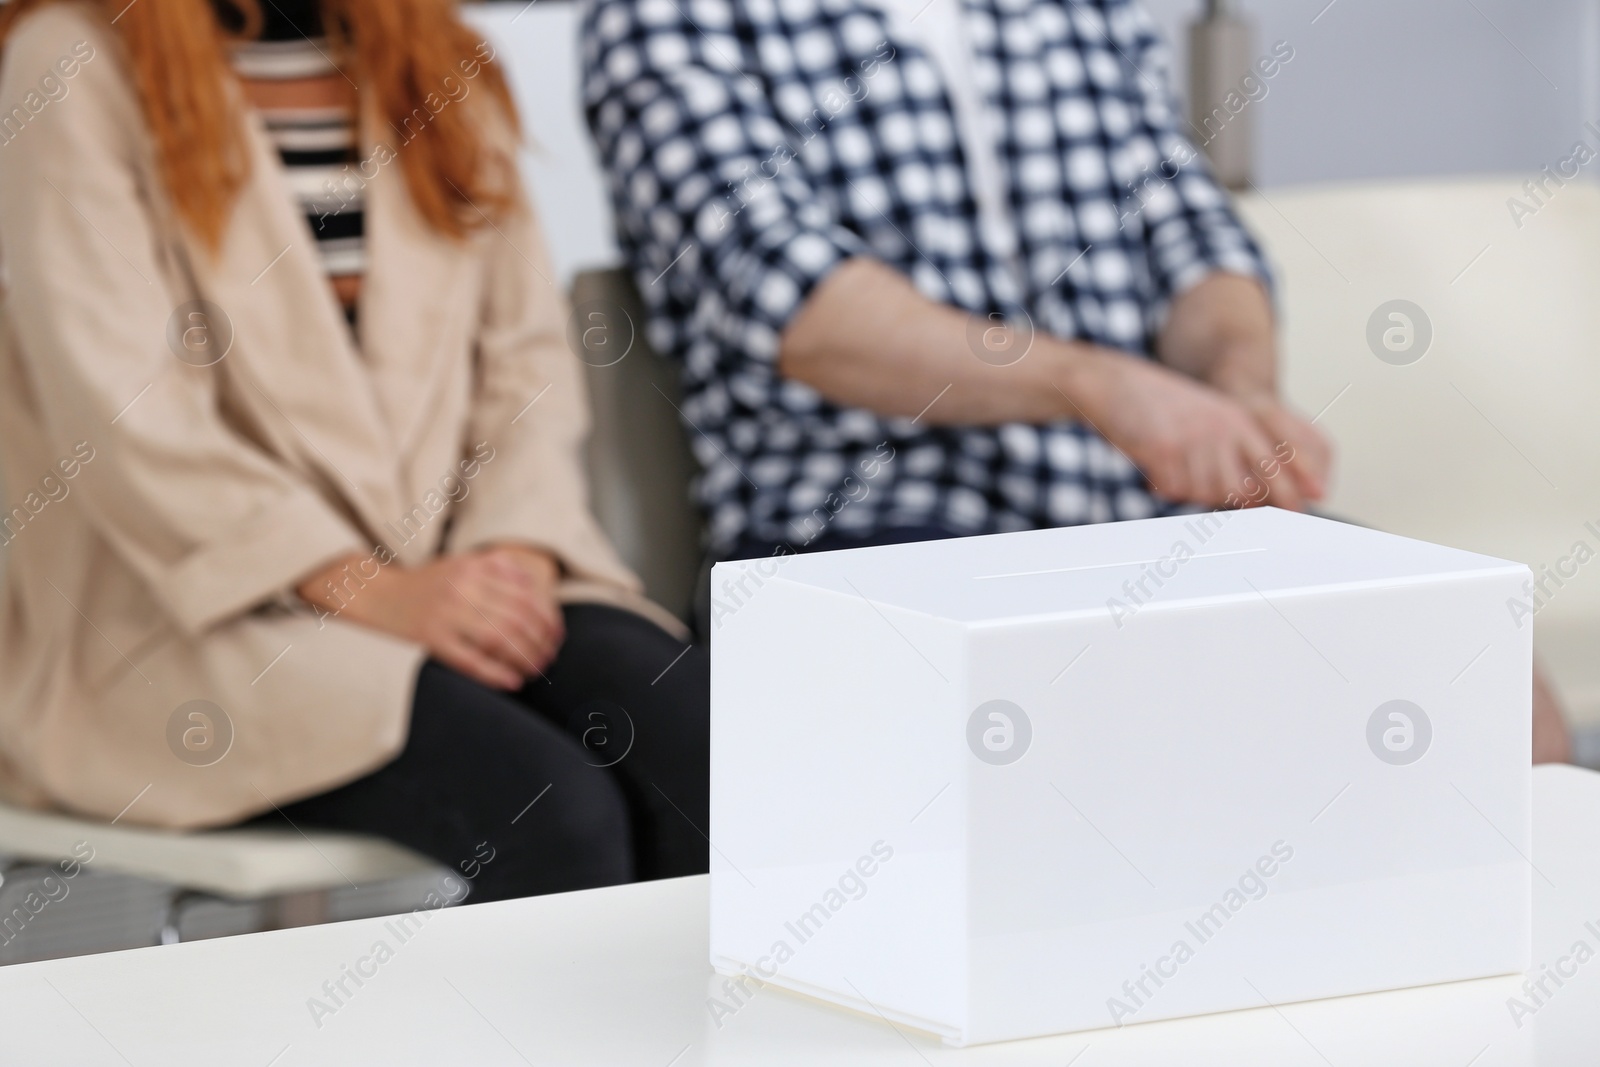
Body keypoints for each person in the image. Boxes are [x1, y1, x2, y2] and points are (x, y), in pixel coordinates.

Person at [581, 0, 1572, 762]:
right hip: (867, 533)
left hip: (1137, 513)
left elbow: (1192, 233)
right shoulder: (666, 19)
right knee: (1137, 728)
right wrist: (1100, 387)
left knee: (1484, 671)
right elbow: (801, 312)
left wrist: (1236, 390)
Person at [0, 0, 708, 903]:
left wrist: (517, 551)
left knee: (694, 740)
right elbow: (121, 412)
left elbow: (526, 364)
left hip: (455, 564)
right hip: (191, 617)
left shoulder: (440, 60)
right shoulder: (68, 60)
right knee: (550, 809)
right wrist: (376, 592)